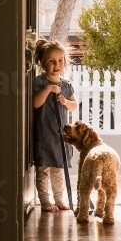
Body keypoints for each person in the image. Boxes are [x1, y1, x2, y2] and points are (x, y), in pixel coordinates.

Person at [32, 39, 77, 212]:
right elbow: (35, 103)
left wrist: (65, 102)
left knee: (59, 167)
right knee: (43, 168)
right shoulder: (40, 82)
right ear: (43, 63)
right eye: (51, 61)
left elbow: (74, 105)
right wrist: (48, 90)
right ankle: (45, 200)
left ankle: (59, 199)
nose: (56, 64)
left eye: (60, 60)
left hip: (60, 135)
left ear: (65, 62)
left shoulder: (66, 85)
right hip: (44, 133)